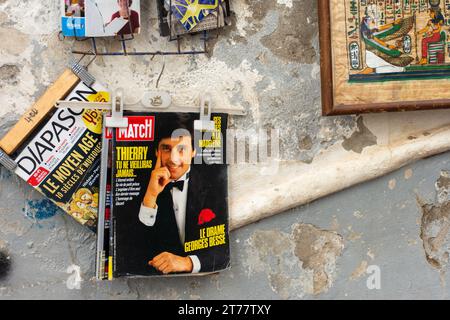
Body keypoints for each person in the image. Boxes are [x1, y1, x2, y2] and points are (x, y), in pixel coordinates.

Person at [138, 114, 229, 275]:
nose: (173, 159)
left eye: (182, 149)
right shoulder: (138, 185)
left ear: (194, 151)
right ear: (156, 151)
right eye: (166, 148)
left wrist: (187, 263)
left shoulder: (216, 184)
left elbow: (225, 252)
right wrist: (151, 197)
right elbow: (132, 251)